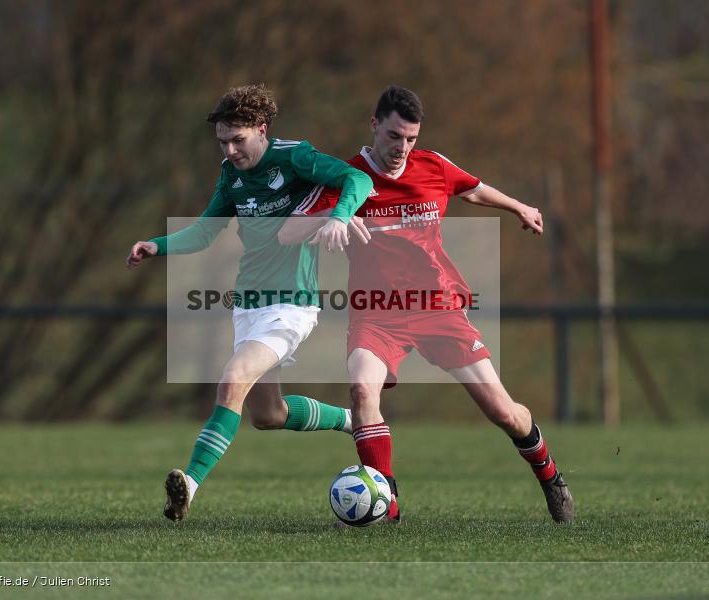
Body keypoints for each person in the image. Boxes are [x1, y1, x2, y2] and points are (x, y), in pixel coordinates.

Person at [278, 85, 574, 523]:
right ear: (374, 125)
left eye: (411, 138)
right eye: (394, 136)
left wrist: (518, 207)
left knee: (504, 413)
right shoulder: (348, 179)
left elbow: (471, 189)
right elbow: (288, 231)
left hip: (438, 307)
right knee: (362, 391)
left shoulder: (432, 165)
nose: (402, 147)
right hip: (376, 311)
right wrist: (337, 218)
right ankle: (388, 505)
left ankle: (550, 476)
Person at [126, 84, 373, 521]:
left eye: (238, 140)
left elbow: (359, 178)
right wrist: (156, 245)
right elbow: (204, 232)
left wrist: (339, 216)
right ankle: (352, 419)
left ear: (262, 130)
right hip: (250, 305)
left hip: (292, 304)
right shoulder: (231, 175)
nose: (230, 149)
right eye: (223, 141)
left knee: (232, 380)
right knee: (268, 414)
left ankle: (190, 484)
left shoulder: (294, 157)